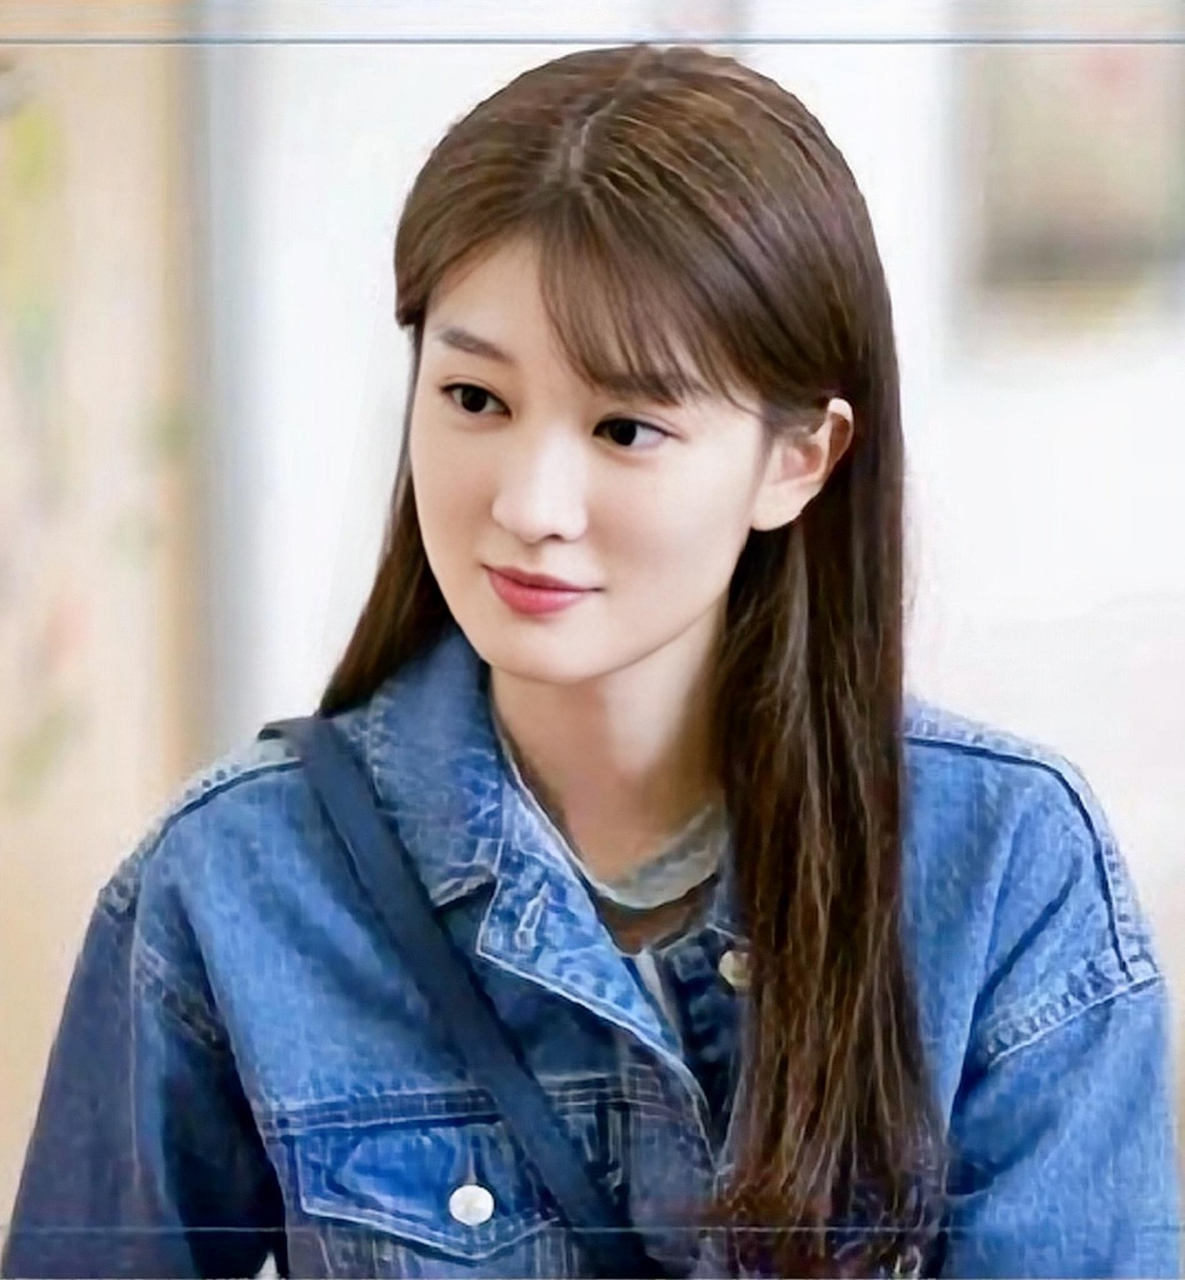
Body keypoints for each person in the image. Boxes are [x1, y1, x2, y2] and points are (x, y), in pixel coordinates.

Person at [2, 41, 1179, 1280]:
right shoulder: (235, 881)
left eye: (626, 426)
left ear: (798, 460)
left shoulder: (1003, 870)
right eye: (475, 399)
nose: (529, 503)